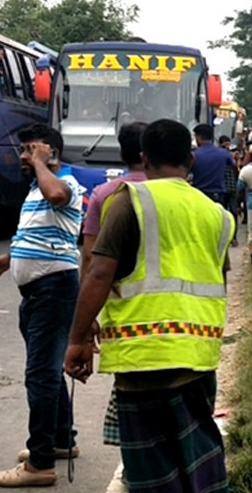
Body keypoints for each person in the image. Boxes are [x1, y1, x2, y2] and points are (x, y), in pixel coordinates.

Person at [64, 119, 235, 493]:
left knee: (152, 469)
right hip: (199, 357)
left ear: (143, 158)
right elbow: (217, 278)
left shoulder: (128, 202)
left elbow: (98, 273)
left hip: (142, 358)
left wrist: (77, 339)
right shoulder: (218, 214)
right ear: (190, 160)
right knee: (199, 457)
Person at [0, 125, 84, 488]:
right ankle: (60, 441)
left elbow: (58, 196)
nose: (24, 157)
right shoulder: (35, 189)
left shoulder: (65, 183)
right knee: (47, 371)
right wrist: (8, 259)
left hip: (53, 290)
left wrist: (44, 164)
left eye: (31, 150)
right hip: (38, 292)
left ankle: (40, 464)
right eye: (24, 151)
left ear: (50, 152)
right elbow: (37, 234)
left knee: (39, 375)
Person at [79, 121, 148, 453]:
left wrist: (83, 326)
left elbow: (93, 264)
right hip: (188, 326)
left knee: (135, 415)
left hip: (126, 319)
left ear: (122, 153)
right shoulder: (183, 196)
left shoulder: (107, 195)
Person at [190, 124, 234, 205]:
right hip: (218, 195)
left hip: (199, 194)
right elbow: (233, 166)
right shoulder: (224, 153)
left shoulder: (194, 155)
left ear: (198, 138)